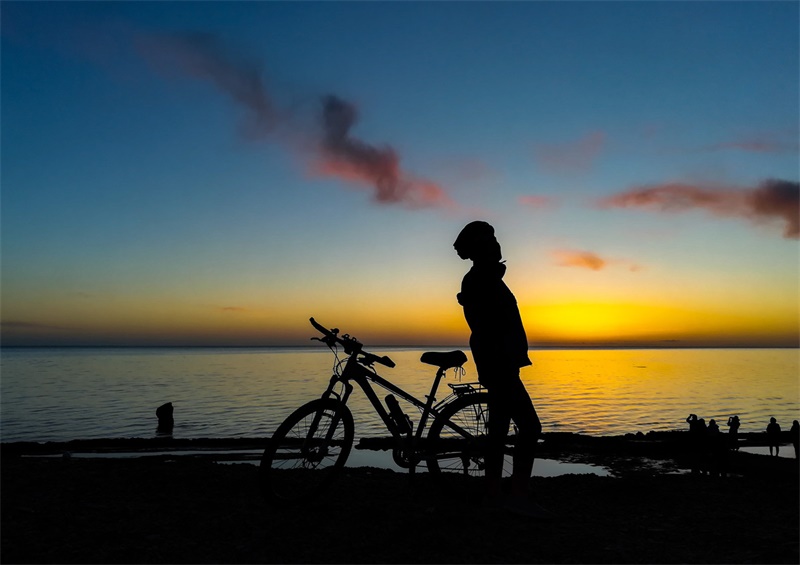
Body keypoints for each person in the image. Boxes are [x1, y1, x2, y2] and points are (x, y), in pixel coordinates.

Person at [453, 220, 546, 519]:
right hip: (499, 363)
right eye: (490, 240)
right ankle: (516, 495)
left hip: (500, 362)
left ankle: (493, 494)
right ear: (481, 248)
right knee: (529, 427)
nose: (497, 244)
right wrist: (506, 357)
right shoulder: (482, 279)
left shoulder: (487, 277)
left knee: (499, 430)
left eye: (495, 239)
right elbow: (487, 326)